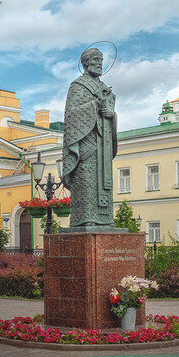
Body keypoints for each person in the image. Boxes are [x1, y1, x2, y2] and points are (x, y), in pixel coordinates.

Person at [61, 47, 118, 229]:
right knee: (86, 182)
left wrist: (112, 115)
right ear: (86, 63)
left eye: (101, 60)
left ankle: (106, 219)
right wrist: (95, 105)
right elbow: (71, 115)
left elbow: (110, 112)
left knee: (104, 183)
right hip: (87, 145)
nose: (99, 63)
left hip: (103, 145)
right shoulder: (78, 86)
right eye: (95, 59)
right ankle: (86, 218)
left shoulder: (104, 88)